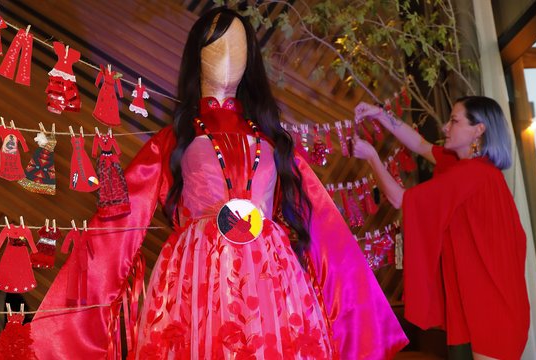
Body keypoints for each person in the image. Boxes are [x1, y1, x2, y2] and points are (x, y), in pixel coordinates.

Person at [31, 7, 408, 359]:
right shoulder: (174, 139)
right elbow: (116, 229)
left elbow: (326, 229)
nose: (227, 56)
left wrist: (362, 321)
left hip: (271, 282)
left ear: (251, 59)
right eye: (215, 45)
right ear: (197, 55)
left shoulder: (274, 139)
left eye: (237, 46)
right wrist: (69, 328)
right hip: (197, 279)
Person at [352, 97, 530, 360]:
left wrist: (372, 158)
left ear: (479, 130)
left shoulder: (472, 175)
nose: (446, 127)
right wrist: (380, 115)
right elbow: (420, 145)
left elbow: (401, 199)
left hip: (493, 306)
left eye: (455, 121)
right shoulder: (472, 169)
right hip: (490, 300)